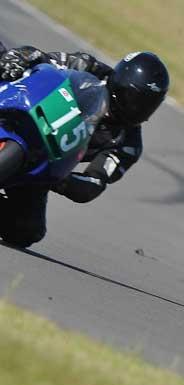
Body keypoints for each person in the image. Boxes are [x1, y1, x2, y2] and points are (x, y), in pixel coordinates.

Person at [0, 46, 170, 247]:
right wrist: (23, 56)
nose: (137, 108)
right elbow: (46, 59)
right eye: (134, 99)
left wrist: (61, 180)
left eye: (148, 104)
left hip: (42, 165)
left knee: (27, 230)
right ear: (120, 84)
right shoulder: (88, 66)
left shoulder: (127, 145)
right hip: (22, 109)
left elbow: (94, 183)